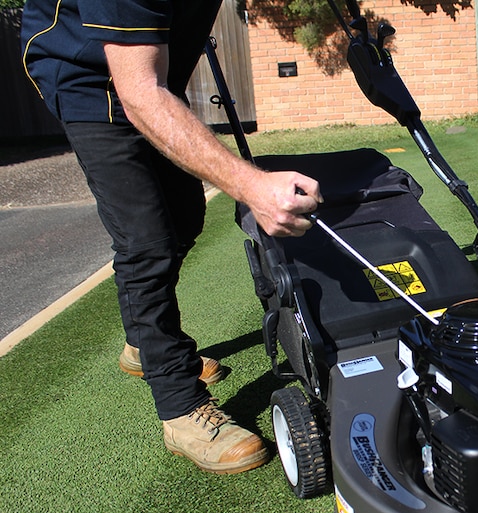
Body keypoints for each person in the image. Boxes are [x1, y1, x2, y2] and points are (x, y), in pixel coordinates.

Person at [21, 0, 322, 474]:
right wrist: (251, 186)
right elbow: (139, 92)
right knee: (146, 242)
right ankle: (180, 405)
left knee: (184, 218)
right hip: (90, 81)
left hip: (155, 73)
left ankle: (144, 341)